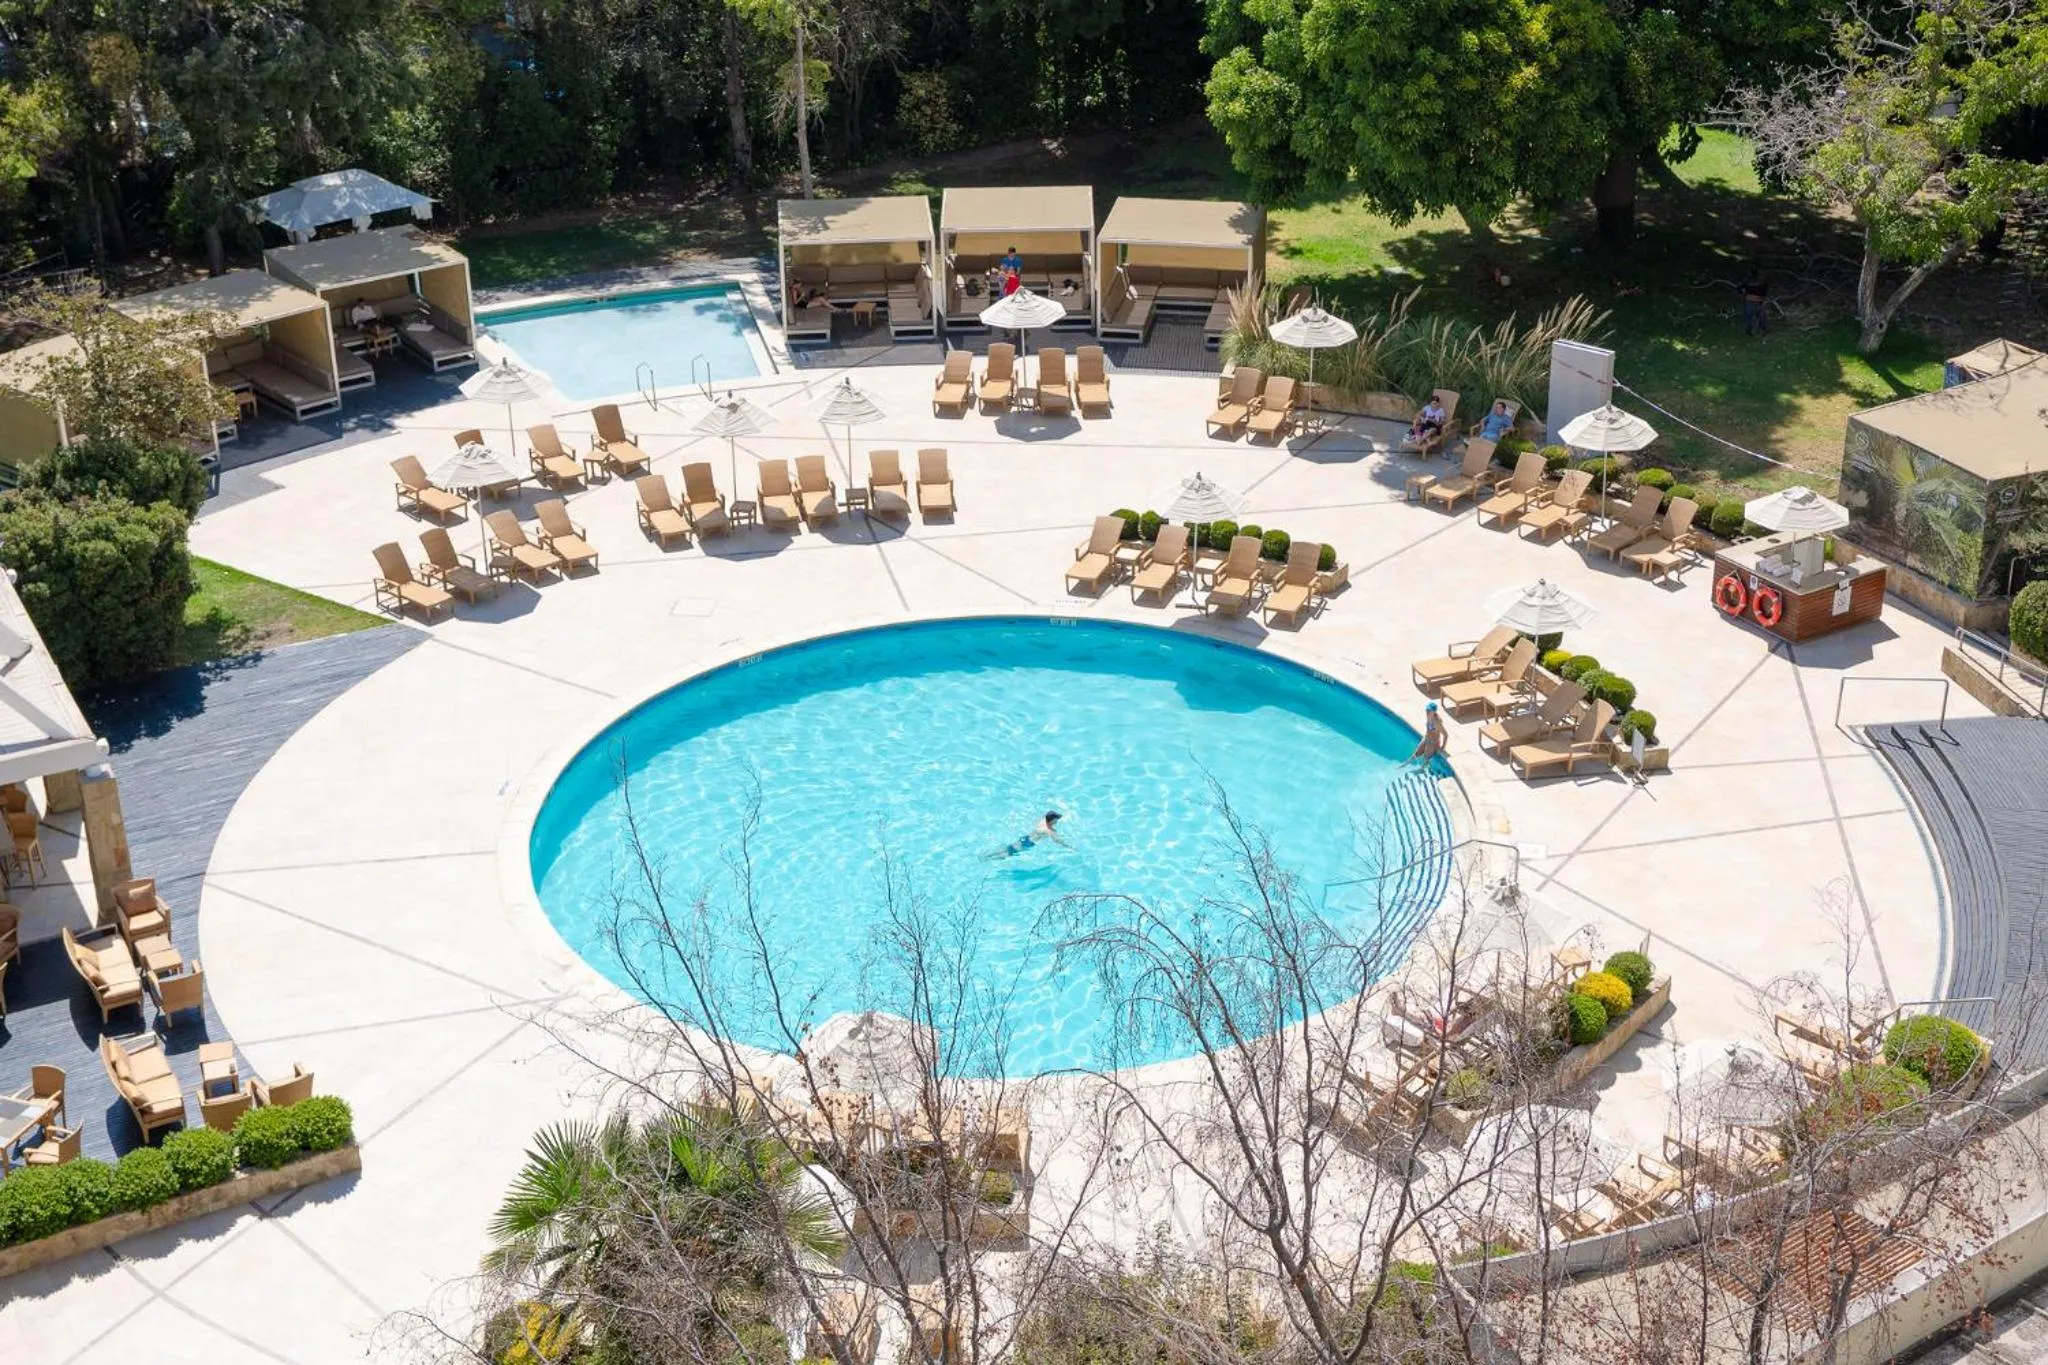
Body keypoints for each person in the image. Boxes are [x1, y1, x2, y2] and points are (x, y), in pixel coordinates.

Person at [989, 810, 1064, 858]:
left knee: (1008, 849)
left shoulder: (1042, 821)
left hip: (1025, 838)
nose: (1057, 821)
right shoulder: (1049, 831)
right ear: (1052, 820)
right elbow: (1058, 841)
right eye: (1056, 819)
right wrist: (1069, 847)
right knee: (1008, 854)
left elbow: (1046, 816)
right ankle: (990, 859)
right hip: (1028, 844)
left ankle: (989, 855)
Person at [1739, 266, 1768, 336]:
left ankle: (1749, 329)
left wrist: (1742, 293)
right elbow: (1764, 291)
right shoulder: (1761, 280)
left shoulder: (1747, 280)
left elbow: (1739, 287)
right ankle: (1761, 329)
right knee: (1760, 315)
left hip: (1750, 299)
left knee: (1749, 314)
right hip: (1758, 299)